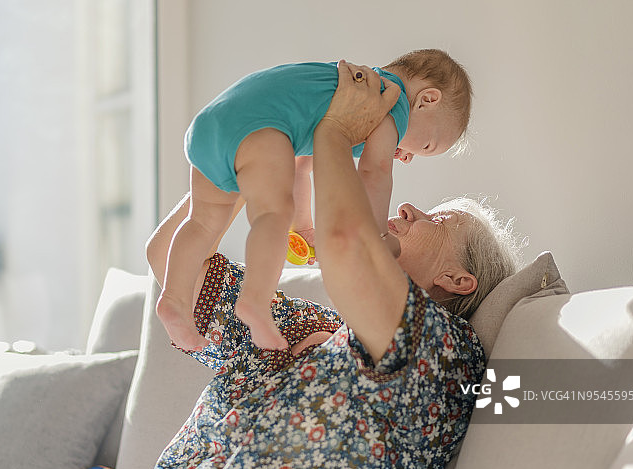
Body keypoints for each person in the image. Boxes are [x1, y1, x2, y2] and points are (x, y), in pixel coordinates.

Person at [104, 61, 520, 469]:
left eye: (436, 220)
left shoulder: (445, 354)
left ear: (459, 279)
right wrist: (262, 142)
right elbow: (167, 257)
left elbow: (349, 248)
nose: (408, 207)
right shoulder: (312, 329)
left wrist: (335, 129)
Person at [157, 49, 473, 352]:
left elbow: (301, 164)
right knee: (272, 215)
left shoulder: (348, 87)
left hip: (211, 122)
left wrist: (305, 226)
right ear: (427, 100)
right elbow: (374, 172)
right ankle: (255, 299)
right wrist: (378, 236)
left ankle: (173, 299)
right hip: (258, 129)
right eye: (426, 146)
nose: (408, 157)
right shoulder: (392, 103)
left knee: (200, 222)